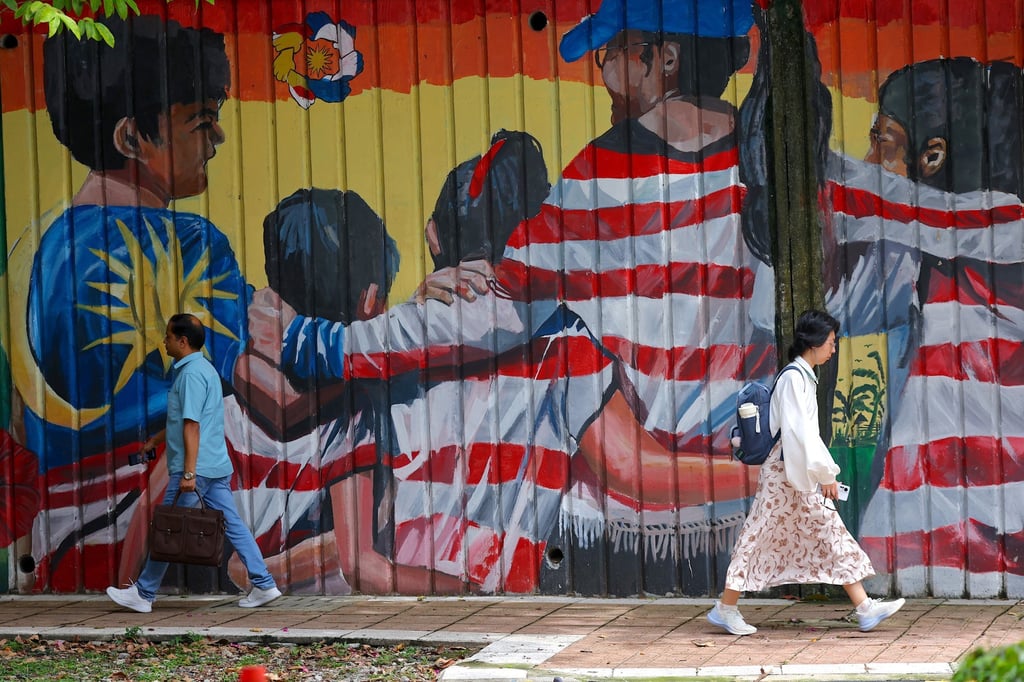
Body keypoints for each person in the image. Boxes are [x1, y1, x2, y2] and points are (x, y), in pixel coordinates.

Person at [8, 15, 246, 592]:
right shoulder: (192, 243)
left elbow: (20, 411)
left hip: (52, 535)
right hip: (163, 529)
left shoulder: (31, 248)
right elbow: (236, 379)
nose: (217, 139)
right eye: (202, 120)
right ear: (131, 137)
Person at [706, 310, 905, 635]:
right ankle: (726, 608)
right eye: (830, 342)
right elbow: (800, 434)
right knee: (761, 535)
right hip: (786, 473)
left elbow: (803, 436)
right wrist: (825, 474)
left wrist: (821, 473)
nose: (834, 348)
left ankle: (865, 608)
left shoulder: (801, 377)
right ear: (813, 344)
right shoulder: (794, 379)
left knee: (825, 532)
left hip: (792, 471)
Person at [106, 314, 281, 613]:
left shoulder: (190, 375)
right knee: (233, 525)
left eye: (169, 337)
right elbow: (184, 420)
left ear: (183, 341)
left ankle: (144, 593)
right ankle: (265, 584)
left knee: (169, 528)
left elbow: (192, 425)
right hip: (214, 467)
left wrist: (188, 472)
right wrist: (157, 440)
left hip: (195, 470)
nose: (164, 341)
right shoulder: (204, 369)